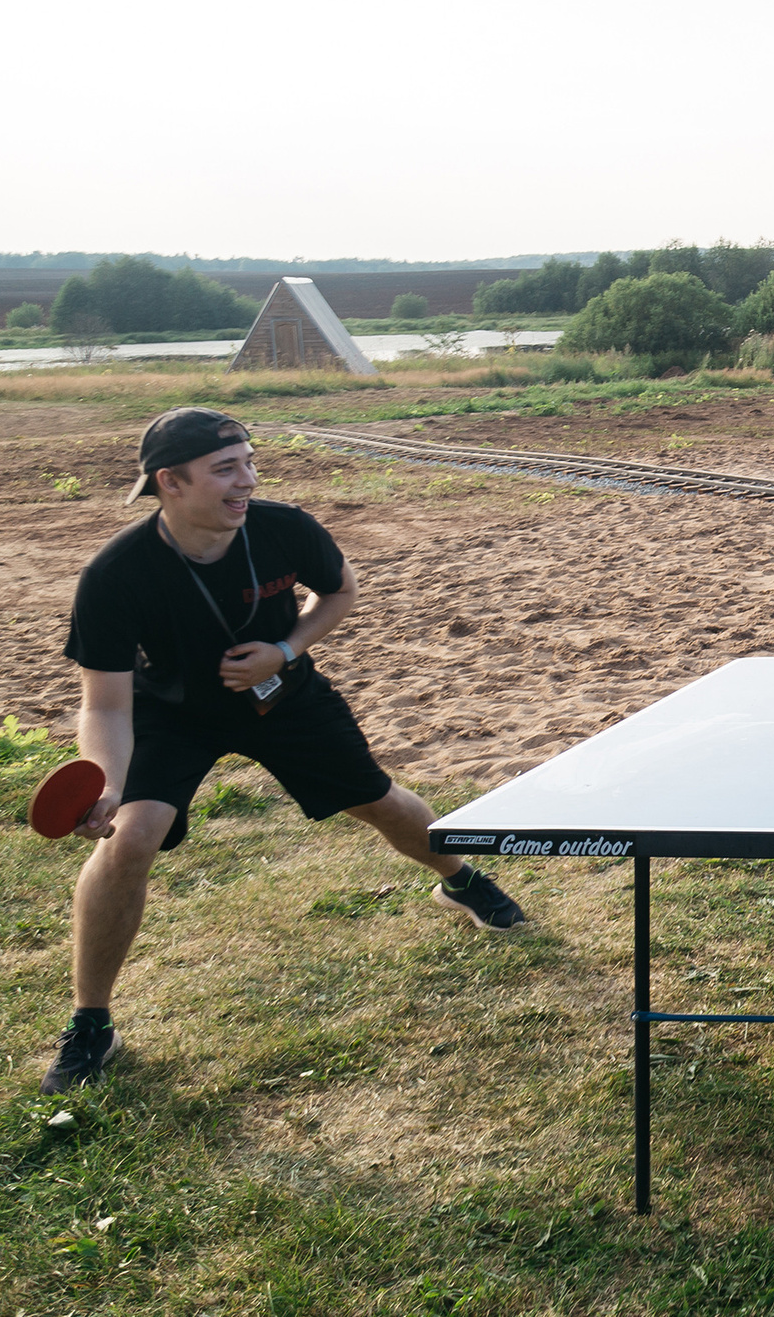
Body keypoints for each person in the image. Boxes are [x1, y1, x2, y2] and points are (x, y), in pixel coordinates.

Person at [41, 409, 527, 1094]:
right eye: (226, 468)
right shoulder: (116, 575)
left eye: (248, 461)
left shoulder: (284, 526)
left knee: (379, 802)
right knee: (128, 839)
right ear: (170, 482)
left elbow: (340, 592)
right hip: (172, 715)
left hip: (282, 693)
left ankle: (461, 879)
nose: (248, 480)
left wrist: (285, 648)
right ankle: (92, 1022)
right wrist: (107, 784)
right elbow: (106, 704)